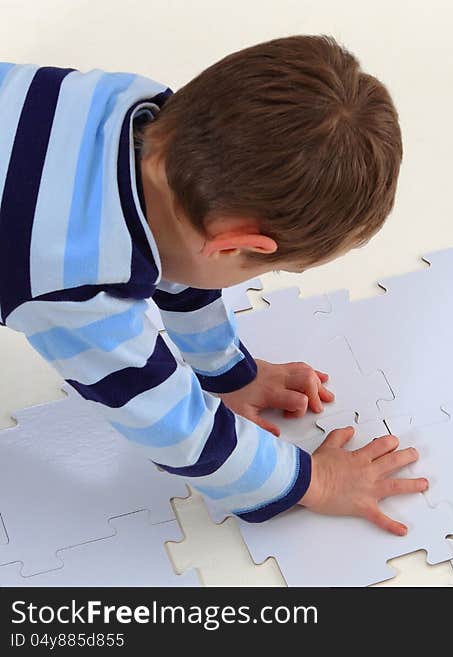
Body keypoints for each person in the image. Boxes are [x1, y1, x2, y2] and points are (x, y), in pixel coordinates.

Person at [0, 35, 426, 536]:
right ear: (232, 248)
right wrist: (315, 481)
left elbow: (175, 254)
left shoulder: (139, 108)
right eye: (264, 270)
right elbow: (173, 429)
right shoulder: (73, 280)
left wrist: (227, 372)